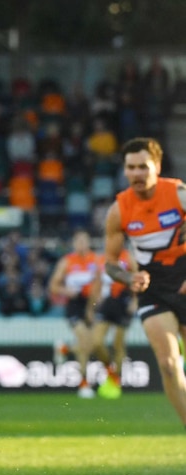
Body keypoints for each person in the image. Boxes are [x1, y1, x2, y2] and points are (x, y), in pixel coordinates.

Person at [103, 137, 186, 427]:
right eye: (131, 168)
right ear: (125, 171)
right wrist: (129, 277)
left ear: (157, 167)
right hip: (153, 288)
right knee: (168, 364)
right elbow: (111, 265)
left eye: (143, 167)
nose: (137, 173)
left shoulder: (178, 194)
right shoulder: (119, 210)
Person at [48, 229, 106, 398]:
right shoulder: (67, 262)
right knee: (84, 340)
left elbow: (98, 284)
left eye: (84, 241)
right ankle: (84, 384)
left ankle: (65, 349)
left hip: (91, 304)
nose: (81, 244)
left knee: (89, 345)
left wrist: (92, 308)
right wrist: (66, 291)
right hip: (74, 305)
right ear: (74, 244)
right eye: (78, 241)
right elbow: (53, 286)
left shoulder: (95, 260)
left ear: (89, 243)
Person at [92, 248, 137, 399]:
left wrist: (136, 300)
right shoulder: (102, 257)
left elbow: (138, 277)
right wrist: (95, 299)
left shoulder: (127, 256)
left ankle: (114, 380)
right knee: (97, 342)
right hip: (107, 302)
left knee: (118, 344)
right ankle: (111, 373)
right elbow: (97, 280)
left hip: (123, 301)